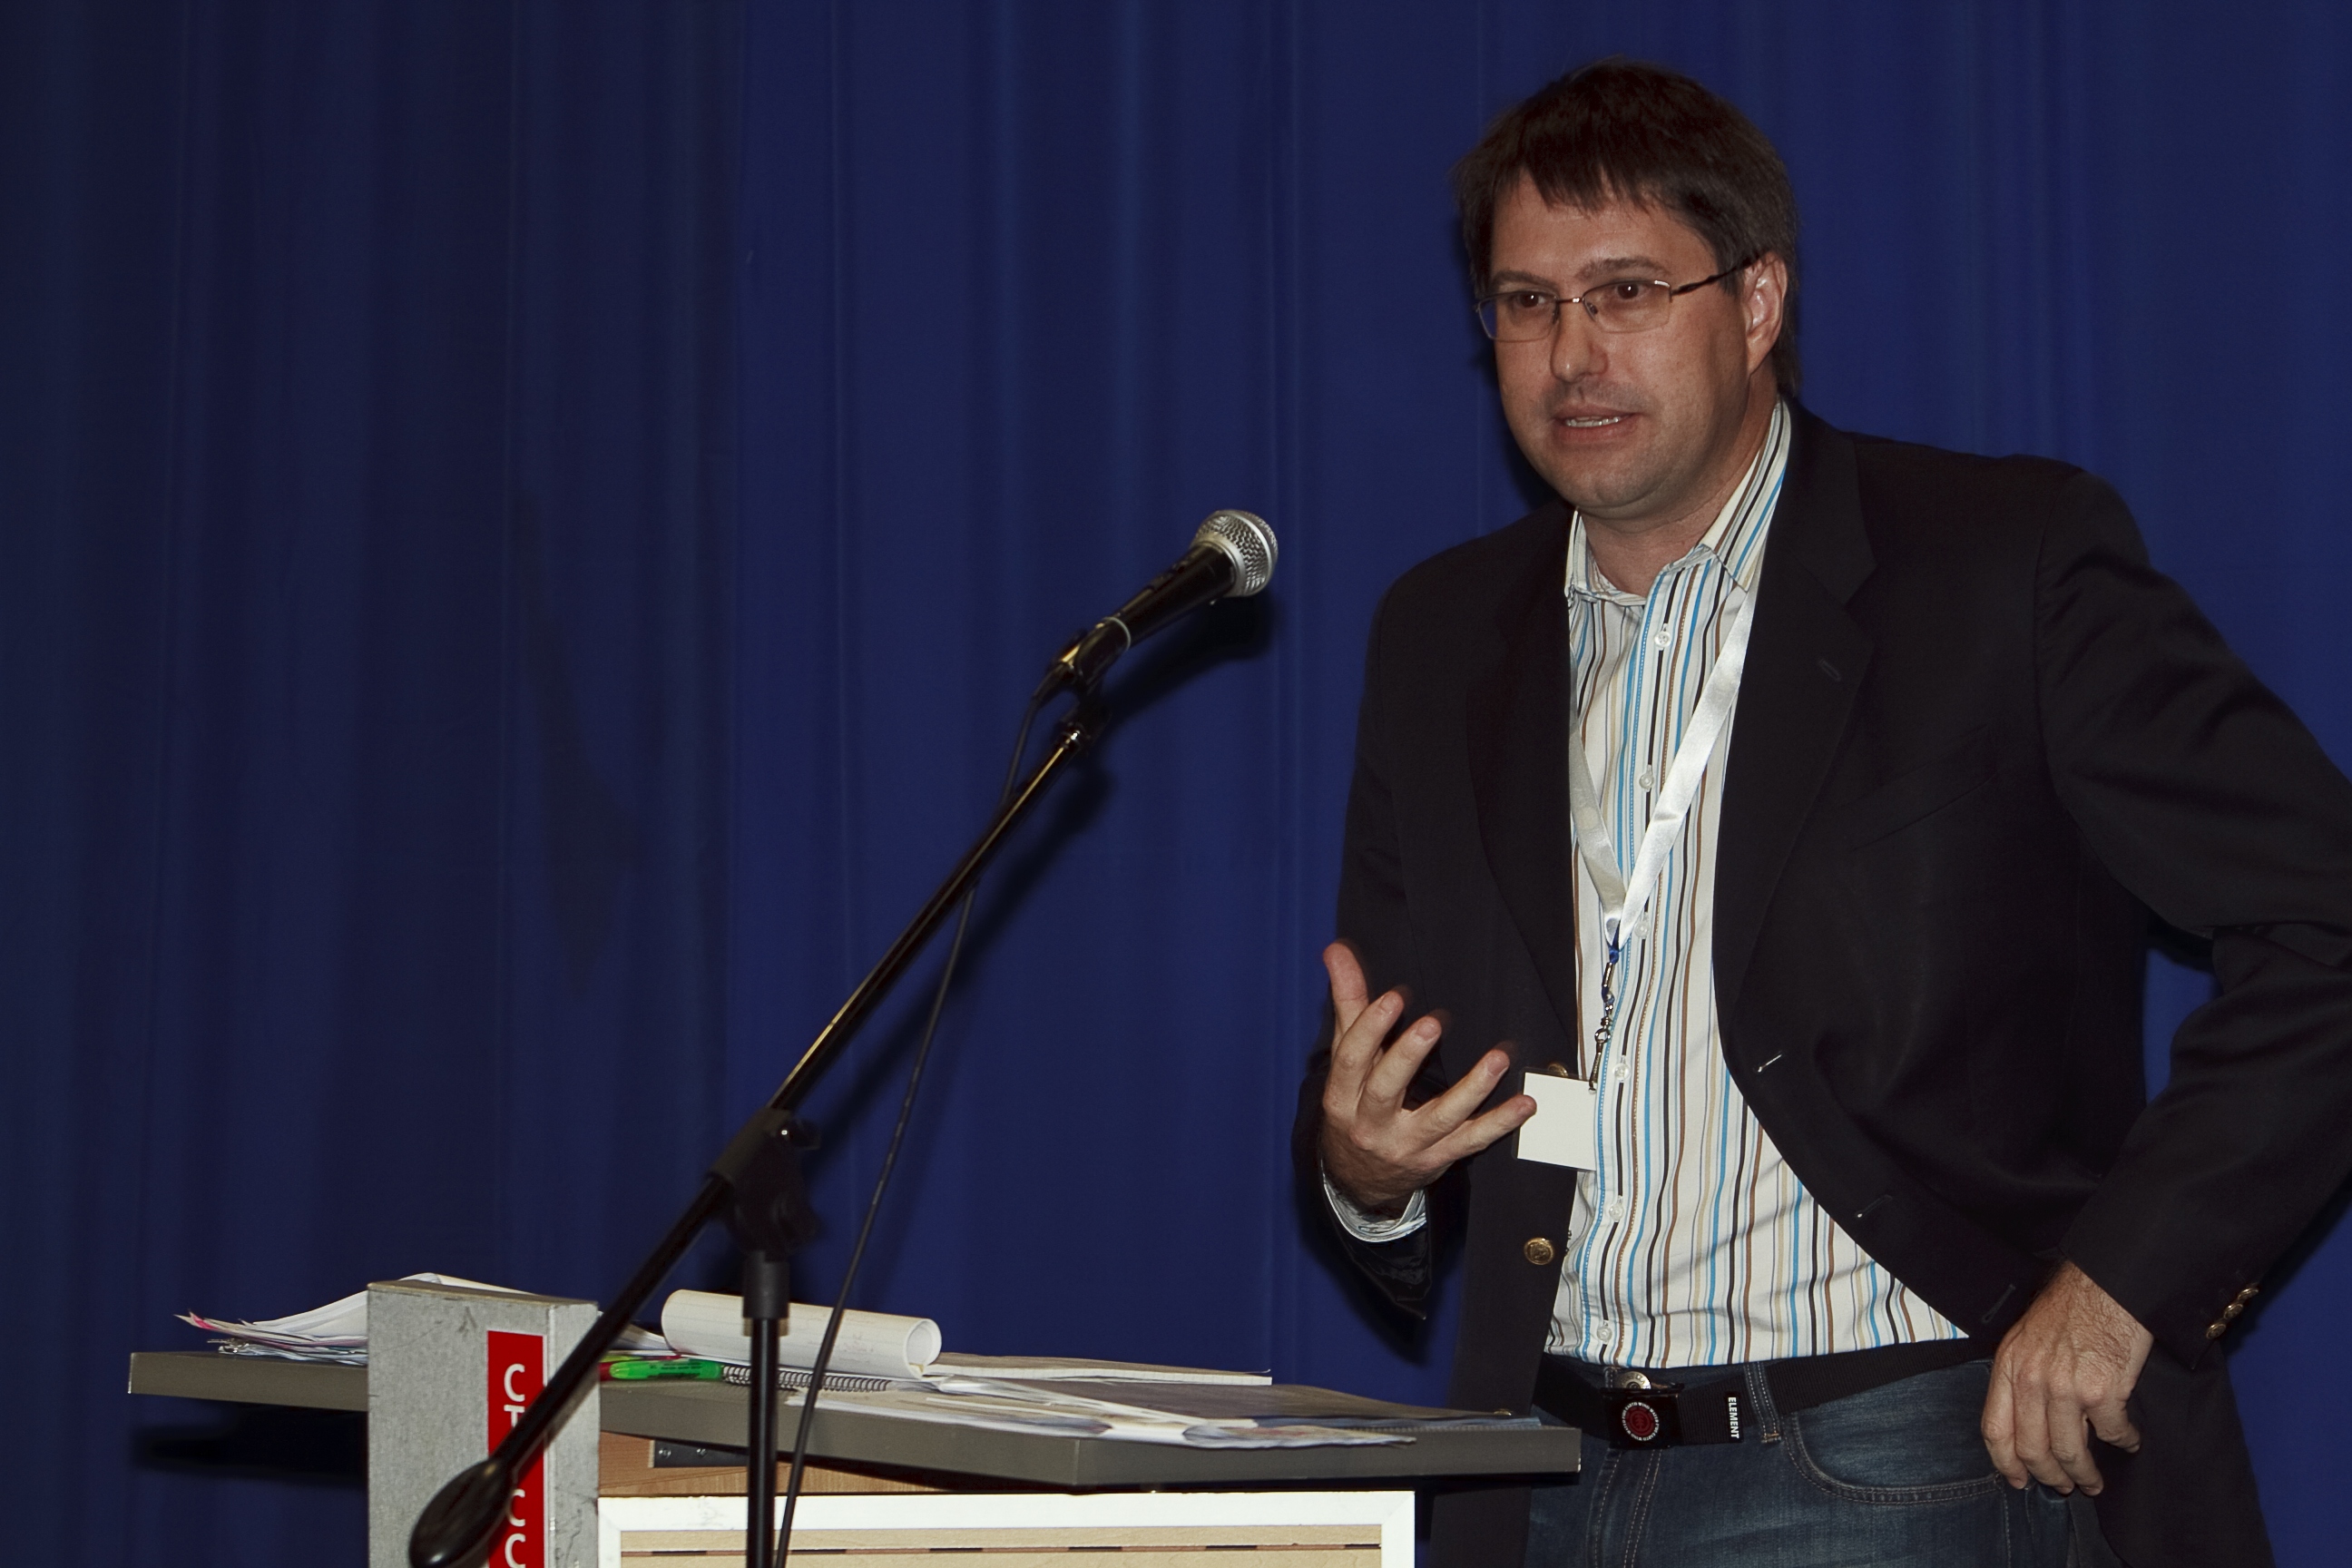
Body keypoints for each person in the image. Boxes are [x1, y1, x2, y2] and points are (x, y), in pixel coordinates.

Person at [1294, 57, 2352, 1568]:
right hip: (1533, 1469)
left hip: (1896, 1453)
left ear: (1758, 302)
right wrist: (1365, 1175)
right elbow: (1384, 1058)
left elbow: (2326, 925)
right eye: (1527, 304)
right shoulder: (1442, 635)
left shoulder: (2001, 568)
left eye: (1626, 293)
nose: (1572, 354)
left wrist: (2126, 1286)